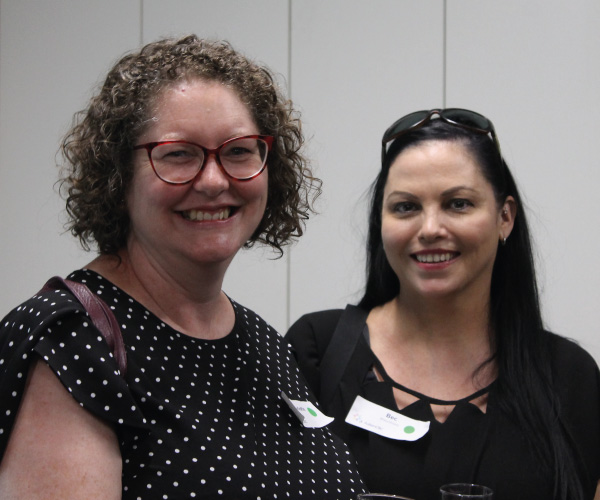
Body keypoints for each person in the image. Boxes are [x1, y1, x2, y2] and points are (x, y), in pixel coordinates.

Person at [0, 35, 366, 499]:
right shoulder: (71, 337)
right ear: (119, 175)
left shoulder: (264, 342)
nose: (214, 181)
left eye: (238, 151)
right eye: (178, 154)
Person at [287, 108, 600, 500]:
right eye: (406, 207)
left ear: (505, 216)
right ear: (380, 223)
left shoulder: (570, 379)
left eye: (458, 204)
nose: (431, 228)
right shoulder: (316, 351)